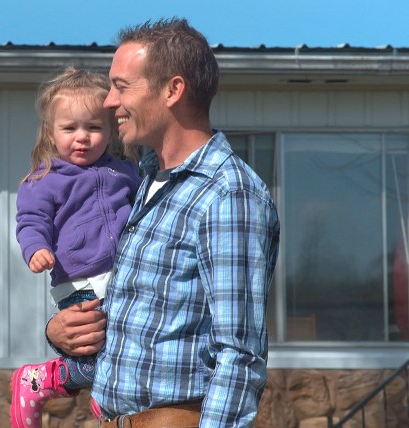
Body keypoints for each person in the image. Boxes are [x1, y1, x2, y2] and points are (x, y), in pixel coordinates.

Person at [46, 18, 281, 427]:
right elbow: (139, 320)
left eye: (122, 86)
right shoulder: (143, 180)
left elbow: (239, 354)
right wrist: (61, 333)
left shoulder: (227, 194)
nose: (107, 101)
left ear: (173, 90)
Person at [11, 67, 141, 427]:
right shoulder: (44, 179)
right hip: (78, 281)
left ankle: (105, 391)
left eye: (93, 128)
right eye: (70, 128)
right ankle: (38, 380)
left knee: (123, 346)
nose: (82, 138)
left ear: (111, 129)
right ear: (51, 132)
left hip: (121, 277)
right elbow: (31, 222)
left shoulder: (125, 172)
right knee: (89, 352)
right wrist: (35, 249)